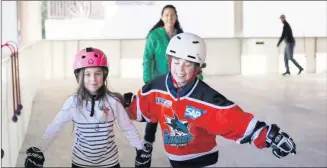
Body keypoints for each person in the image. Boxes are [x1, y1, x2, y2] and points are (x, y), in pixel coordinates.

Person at [124, 33, 297, 168]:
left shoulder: (206, 98)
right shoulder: (156, 88)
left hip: (203, 160)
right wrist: (117, 103)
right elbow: (139, 108)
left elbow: (235, 121)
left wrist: (270, 137)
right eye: (176, 62)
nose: (181, 70)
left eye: (188, 64)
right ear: (169, 61)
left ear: (198, 68)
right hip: (175, 159)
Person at [24, 47, 152, 168]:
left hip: (109, 163)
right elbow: (55, 127)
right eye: (87, 74)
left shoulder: (112, 102)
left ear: (104, 75)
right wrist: (39, 149)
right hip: (80, 162)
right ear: (79, 77)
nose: (93, 79)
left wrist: (140, 148)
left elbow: (127, 128)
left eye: (98, 73)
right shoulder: (73, 103)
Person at [142, 5, 204, 167]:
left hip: (180, 83)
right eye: (166, 15)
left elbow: (193, 61)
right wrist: (148, 82)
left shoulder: (182, 37)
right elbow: (148, 59)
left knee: (179, 116)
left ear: (176, 17)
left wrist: (199, 79)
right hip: (159, 83)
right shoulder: (154, 36)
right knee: (154, 117)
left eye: (172, 15)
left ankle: (182, 148)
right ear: (162, 17)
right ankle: (146, 149)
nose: (169, 17)